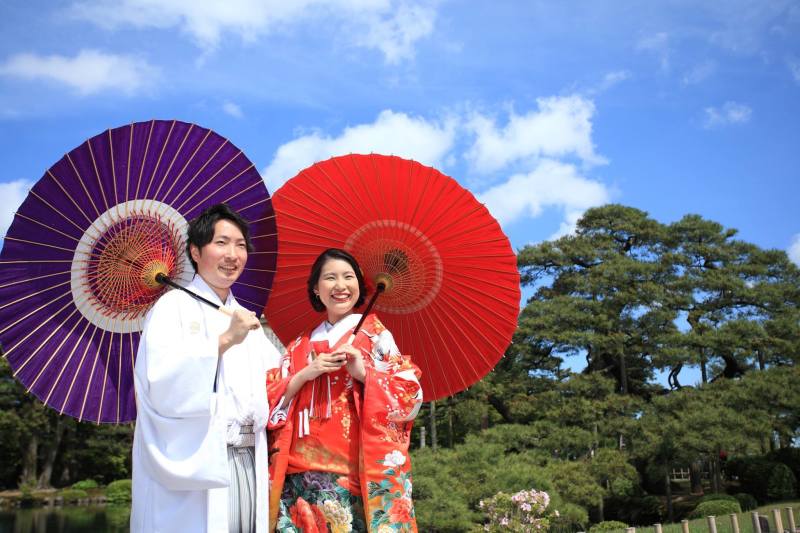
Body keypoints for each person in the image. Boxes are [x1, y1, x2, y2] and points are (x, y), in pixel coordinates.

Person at [131, 203, 281, 533]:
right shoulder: (172, 307)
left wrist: (311, 368)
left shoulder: (243, 316)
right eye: (221, 243)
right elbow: (161, 383)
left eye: (240, 245)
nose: (233, 255)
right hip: (197, 463)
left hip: (249, 457)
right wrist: (223, 341)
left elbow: (277, 381)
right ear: (196, 252)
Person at [266, 248, 423, 532]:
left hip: (351, 478)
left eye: (348, 277)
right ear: (316, 289)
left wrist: (364, 374)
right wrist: (305, 374)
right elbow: (269, 401)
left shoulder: (376, 337)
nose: (340, 286)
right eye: (330, 278)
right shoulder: (298, 345)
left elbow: (409, 396)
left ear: (359, 286)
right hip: (296, 480)